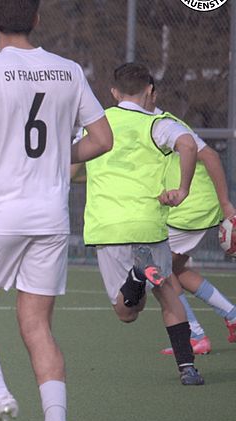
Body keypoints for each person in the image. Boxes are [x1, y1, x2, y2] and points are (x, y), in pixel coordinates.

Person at [0, 0, 112, 421]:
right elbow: (103, 139)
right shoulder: (68, 70)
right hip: (50, 217)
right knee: (38, 325)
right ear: (37, 19)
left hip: (1, 213)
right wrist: (58, 157)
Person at [80, 62, 204, 385]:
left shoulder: (95, 125)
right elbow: (188, 144)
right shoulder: (158, 124)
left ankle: (137, 275)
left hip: (108, 227)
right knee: (167, 291)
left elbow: (70, 163)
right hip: (148, 225)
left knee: (127, 313)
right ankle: (188, 369)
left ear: (114, 92)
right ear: (150, 91)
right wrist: (183, 189)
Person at [142, 96, 236, 356]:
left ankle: (195, 335)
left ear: (150, 94)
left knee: (157, 270)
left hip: (190, 209)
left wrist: (226, 204)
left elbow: (211, 156)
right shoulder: (148, 124)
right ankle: (232, 315)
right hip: (189, 208)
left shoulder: (164, 124)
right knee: (176, 270)